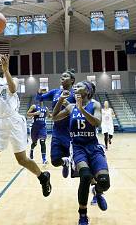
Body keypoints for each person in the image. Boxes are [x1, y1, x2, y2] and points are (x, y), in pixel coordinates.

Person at [0, 27, 51, 212]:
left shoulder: (12, 79)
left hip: (14, 121)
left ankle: (42, 177)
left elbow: (13, 89)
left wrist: (7, 70)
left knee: (22, 160)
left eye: (0, 61)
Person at [53, 81, 110, 225]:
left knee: (104, 182)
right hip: (78, 147)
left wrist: (82, 109)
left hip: (93, 146)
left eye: (79, 86)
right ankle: (83, 215)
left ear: (88, 91)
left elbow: (97, 123)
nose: (75, 88)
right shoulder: (71, 107)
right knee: (85, 176)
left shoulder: (95, 105)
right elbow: (54, 117)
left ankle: (97, 191)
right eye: (75, 86)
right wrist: (60, 100)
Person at [35, 69, 76, 177]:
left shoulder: (76, 94)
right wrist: (39, 92)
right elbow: (39, 98)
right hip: (57, 131)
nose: (62, 78)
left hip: (71, 132)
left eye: (65, 76)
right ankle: (64, 163)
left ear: (72, 80)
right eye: (61, 76)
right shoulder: (55, 92)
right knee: (55, 160)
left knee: (77, 163)